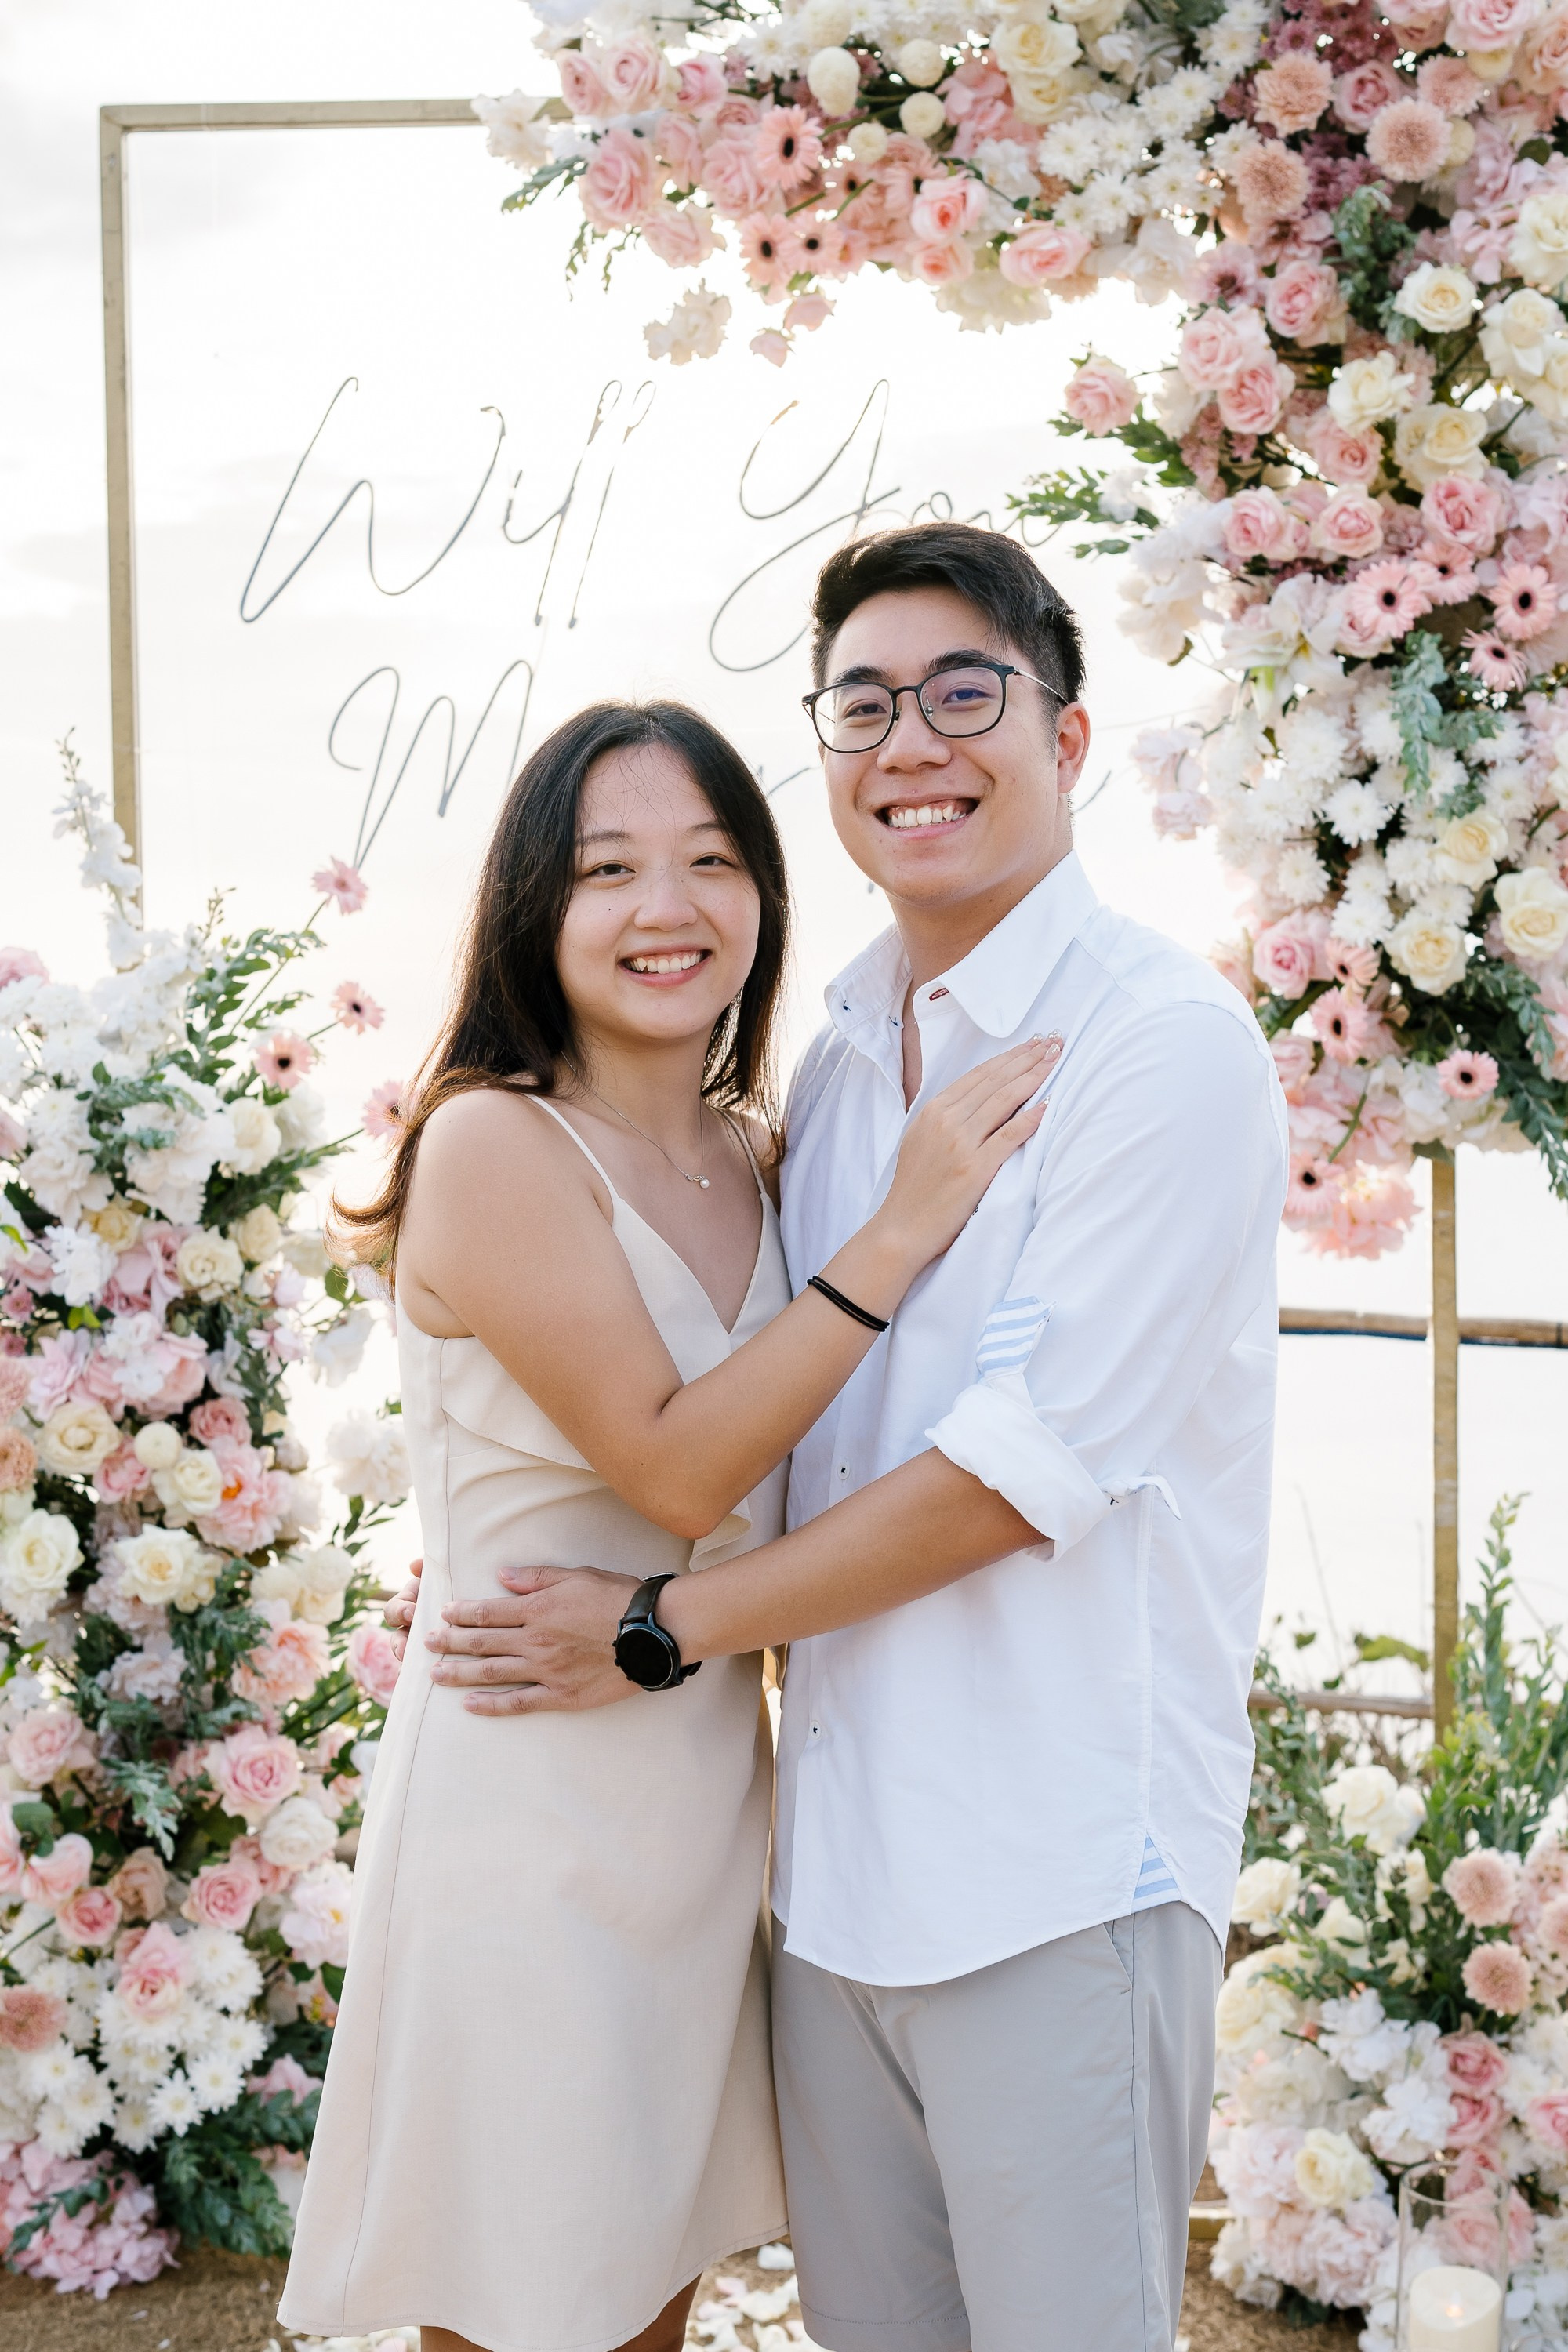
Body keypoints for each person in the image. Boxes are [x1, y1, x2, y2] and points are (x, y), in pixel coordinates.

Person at [411, 524, 1290, 2352]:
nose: (915, 742)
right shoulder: (833, 1063)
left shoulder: (1153, 1047)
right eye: (865, 703)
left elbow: (1007, 1484)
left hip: (1054, 1870)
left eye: (968, 690)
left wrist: (656, 1625)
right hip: (828, 1882)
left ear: (1069, 734)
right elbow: (752, 1428)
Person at [277, 695, 1056, 2352]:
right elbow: (681, 1472)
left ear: (765, 898)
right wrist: (908, 1225)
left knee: (646, 2305)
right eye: (609, 867)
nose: (666, 908)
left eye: (711, 861)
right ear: (533, 909)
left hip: (705, 1812)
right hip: (532, 1803)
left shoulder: (755, 1152)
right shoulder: (494, 1143)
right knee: (528, 2298)